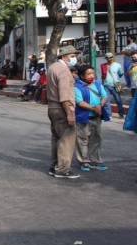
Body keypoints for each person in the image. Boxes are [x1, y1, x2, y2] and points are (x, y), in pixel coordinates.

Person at [46, 45, 81, 179]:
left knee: (57, 137)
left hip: (52, 107)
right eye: (72, 56)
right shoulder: (64, 70)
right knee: (66, 139)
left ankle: (54, 166)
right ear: (65, 57)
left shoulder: (53, 67)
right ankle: (62, 169)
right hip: (62, 107)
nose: (75, 58)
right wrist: (69, 113)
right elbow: (65, 95)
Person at [74, 64, 109, 172]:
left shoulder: (98, 84)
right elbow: (80, 102)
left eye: (92, 73)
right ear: (81, 75)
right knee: (82, 140)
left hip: (97, 117)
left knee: (96, 139)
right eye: (88, 74)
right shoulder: (77, 87)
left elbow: (104, 96)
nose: (91, 76)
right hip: (83, 117)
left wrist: (100, 105)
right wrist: (93, 108)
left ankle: (96, 161)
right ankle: (84, 162)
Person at [102, 52, 125, 119]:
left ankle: (121, 113)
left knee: (118, 100)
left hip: (115, 85)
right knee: (107, 100)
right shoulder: (104, 65)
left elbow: (121, 74)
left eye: (111, 57)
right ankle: (109, 113)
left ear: (113, 58)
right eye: (108, 58)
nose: (109, 59)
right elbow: (103, 75)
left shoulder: (117, 65)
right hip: (106, 85)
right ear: (106, 58)